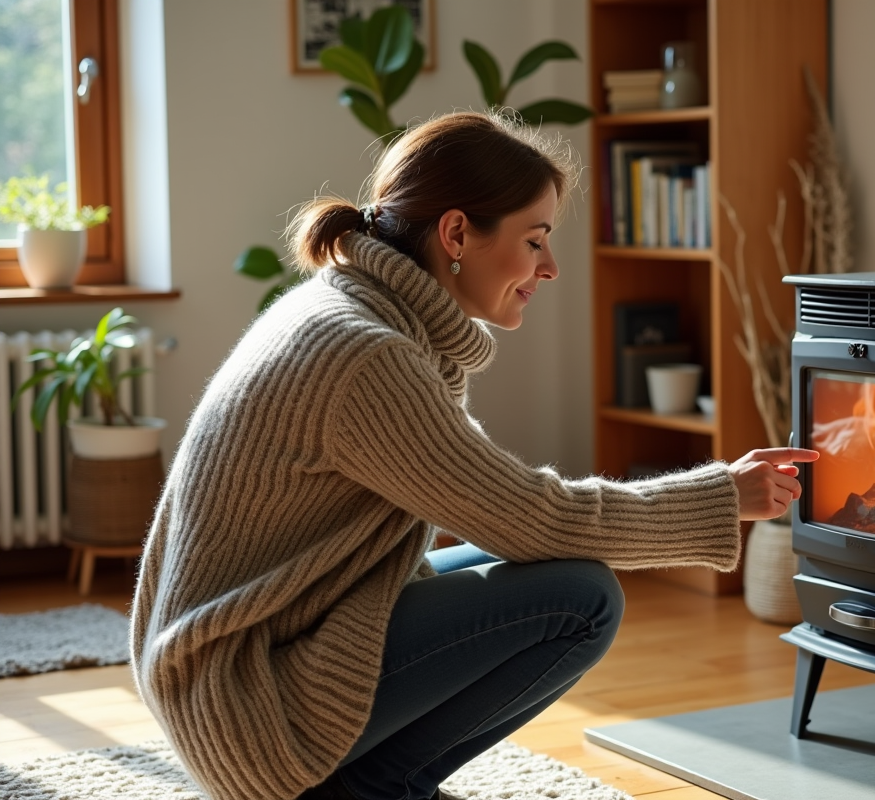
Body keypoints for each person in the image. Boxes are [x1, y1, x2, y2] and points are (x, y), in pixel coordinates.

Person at [130, 111, 818, 800]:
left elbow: (511, 515)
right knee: (581, 598)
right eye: (534, 240)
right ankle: (373, 789)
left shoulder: (355, 310)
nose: (550, 267)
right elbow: (535, 518)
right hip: (248, 703)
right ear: (456, 234)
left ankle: (387, 783)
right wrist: (721, 496)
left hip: (254, 652)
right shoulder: (363, 354)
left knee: (555, 570)